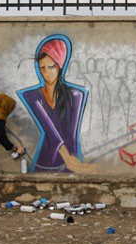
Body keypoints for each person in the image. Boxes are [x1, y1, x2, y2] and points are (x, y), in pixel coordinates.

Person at [18, 35, 92, 173]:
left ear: (60, 66)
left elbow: (71, 135)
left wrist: (73, 162)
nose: (46, 73)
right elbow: (49, 129)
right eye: (42, 68)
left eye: (51, 67)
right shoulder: (32, 96)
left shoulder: (75, 95)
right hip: (45, 162)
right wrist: (68, 159)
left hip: (71, 161)